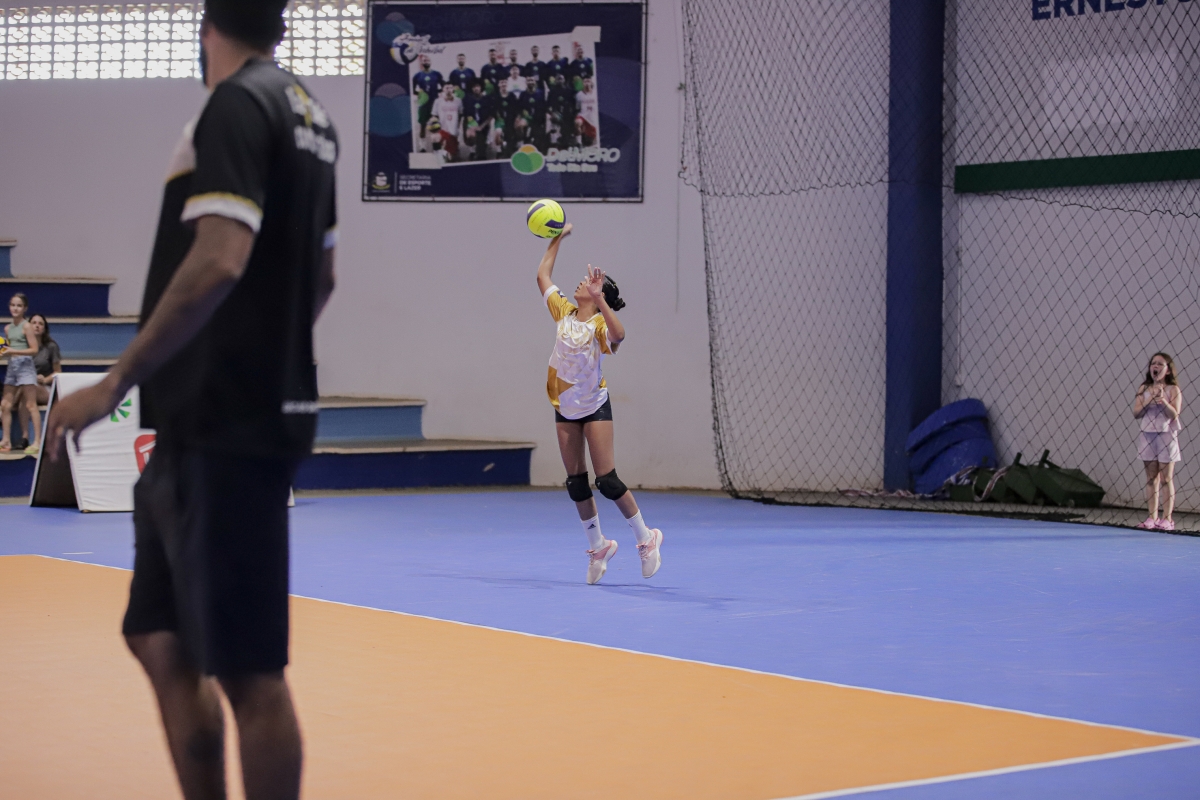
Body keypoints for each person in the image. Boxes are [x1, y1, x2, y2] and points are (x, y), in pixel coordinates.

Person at [46, 2, 338, 799]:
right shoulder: (311, 116)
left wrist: (114, 382)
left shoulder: (234, 106)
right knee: (159, 637)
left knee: (249, 672)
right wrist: (268, 353)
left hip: (225, 423)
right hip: (213, 415)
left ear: (205, 27)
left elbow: (218, 259)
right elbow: (322, 279)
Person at [534, 224, 663, 584]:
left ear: (598, 294)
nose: (581, 283)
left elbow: (620, 335)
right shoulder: (564, 313)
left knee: (606, 480)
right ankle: (599, 546)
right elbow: (542, 275)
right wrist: (557, 237)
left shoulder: (599, 327)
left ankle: (646, 538)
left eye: (589, 285)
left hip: (593, 407)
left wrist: (600, 300)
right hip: (564, 407)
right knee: (576, 483)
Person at [1133, 352, 1183, 531]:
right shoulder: (1144, 388)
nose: (1155, 366)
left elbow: (1174, 414)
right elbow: (1136, 413)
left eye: (1160, 364)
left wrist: (1162, 401)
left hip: (1166, 436)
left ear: (1168, 370)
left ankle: (1167, 519)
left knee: (1166, 478)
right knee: (1151, 478)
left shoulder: (1173, 390)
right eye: (1153, 363)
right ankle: (1151, 517)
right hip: (1148, 435)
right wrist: (1149, 400)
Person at [0, 292, 42, 454]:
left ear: (25, 308)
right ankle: (6, 439)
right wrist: (6, 352)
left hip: (25, 366)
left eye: (19, 306)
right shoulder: (8, 328)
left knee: (31, 405)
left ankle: (37, 441)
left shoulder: (27, 326)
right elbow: (9, 348)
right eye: (13, 305)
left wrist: (14, 351)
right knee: (5, 404)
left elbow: (34, 349)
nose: (15, 308)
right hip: (12, 366)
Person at [29, 313, 61, 406]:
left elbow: (58, 372)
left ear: (44, 329)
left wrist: (45, 380)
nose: (37, 326)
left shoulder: (51, 347)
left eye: (40, 324)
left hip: (44, 387)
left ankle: (5, 408)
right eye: (34, 323)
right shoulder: (23, 347)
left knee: (29, 387)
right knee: (25, 389)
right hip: (26, 385)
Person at [412, 53, 444, 139]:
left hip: (434, 102)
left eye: (428, 60)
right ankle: (422, 143)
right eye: (424, 60)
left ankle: (437, 142)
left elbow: (443, 87)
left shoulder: (437, 74)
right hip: (423, 103)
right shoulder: (417, 76)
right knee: (422, 124)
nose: (426, 62)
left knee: (436, 124)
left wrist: (437, 92)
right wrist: (421, 94)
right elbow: (413, 90)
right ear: (421, 63)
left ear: (430, 62)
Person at [430, 83, 463, 161]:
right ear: (443, 89)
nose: (448, 90)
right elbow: (434, 116)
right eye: (446, 88)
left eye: (450, 88)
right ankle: (437, 154)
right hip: (442, 130)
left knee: (451, 158)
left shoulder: (458, 101)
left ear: (453, 89)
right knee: (434, 137)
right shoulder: (438, 101)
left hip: (453, 132)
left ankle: (451, 150)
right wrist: (435, 128)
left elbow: (460, 114)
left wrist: (457, 126)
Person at [574, 76, 599, 147]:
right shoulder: (579, 95)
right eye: (585, 81)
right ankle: (578, 143)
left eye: (589, 81)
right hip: (583, 115)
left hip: (593, 116)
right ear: (582, 83)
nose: (587, 83)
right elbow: (577, 107)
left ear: (592, 83)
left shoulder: (596, 93)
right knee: (577, 122)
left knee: (592, 137)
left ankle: (595, 145)